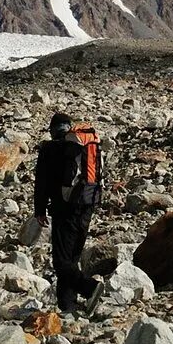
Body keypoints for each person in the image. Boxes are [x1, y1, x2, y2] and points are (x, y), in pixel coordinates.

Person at [33, 111, 102, 312]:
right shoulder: (85, 146)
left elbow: (42, 182)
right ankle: (67, 305)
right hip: (87, 204)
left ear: (53, 130)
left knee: (61, 262)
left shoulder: (50, 148)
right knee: (72, 258)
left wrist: (39, 209)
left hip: (64, 208)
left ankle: (90, 287)